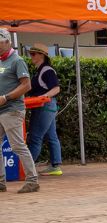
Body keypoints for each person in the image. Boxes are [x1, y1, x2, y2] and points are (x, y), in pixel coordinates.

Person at [0, 28, 38, 193]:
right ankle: (1, 182)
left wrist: (6, 97)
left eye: (0, 43)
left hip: (12, 110)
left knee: (17, 146)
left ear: (8, 42)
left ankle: (32, 181)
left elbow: (26, 85)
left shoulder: (17, 60)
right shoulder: (1, 61)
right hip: (2, 110)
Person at [26, 44, 62, 177]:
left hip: (44, 106)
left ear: (42, 55)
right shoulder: (41, 70)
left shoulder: (46, 70)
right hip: (47, 106)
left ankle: (26, 169)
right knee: (51, 136)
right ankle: (55, 166)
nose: (31, 56)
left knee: (35, 137)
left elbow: (56, 88)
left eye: (33, 54)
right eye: (30, 54)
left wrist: (43, 97)